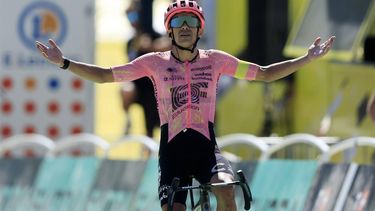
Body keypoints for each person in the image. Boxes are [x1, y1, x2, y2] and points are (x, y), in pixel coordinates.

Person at [35, 1, 335, 210]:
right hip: (173, 154)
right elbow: (104, 76)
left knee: (226, 191)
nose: (185, 27)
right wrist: (63, 62)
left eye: (192, 21)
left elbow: (266, 73)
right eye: (178, 22)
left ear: (200, 29)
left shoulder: (216, 60)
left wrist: (307, 58)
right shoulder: (153, 63)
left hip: (206, 150)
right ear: (170, 30)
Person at [121, 0, 170, 137]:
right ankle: (127, 120)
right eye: (130, 17)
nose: (133, 21)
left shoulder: (154, 36)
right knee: (125, 90)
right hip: (139, 86)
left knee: (154, 123)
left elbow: (170, 44)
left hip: (155, 87)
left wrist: (151, 47)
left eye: (135, 16)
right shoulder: (130, 42)